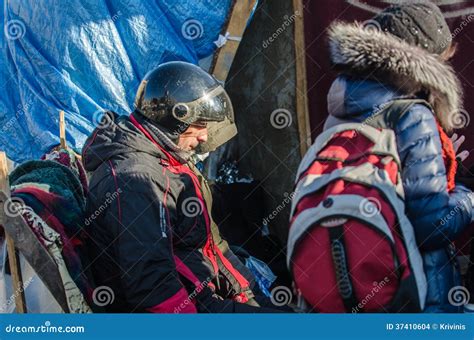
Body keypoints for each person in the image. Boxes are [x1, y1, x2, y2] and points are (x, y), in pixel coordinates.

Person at [82, 61, 278, 313]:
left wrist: (250, 293)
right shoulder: (135, 181)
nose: (205, 136)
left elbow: (212, 244)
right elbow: (154, 289)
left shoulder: (170, 159)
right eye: (200, 124)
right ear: (173, 121)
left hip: (202, 290)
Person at [323, 2, 474, 312]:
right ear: (426, 60)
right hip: (415, 292)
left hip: (356, 280)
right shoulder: (412, 115)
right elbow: (432, 226)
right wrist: (469, 198)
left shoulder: (343, 108)